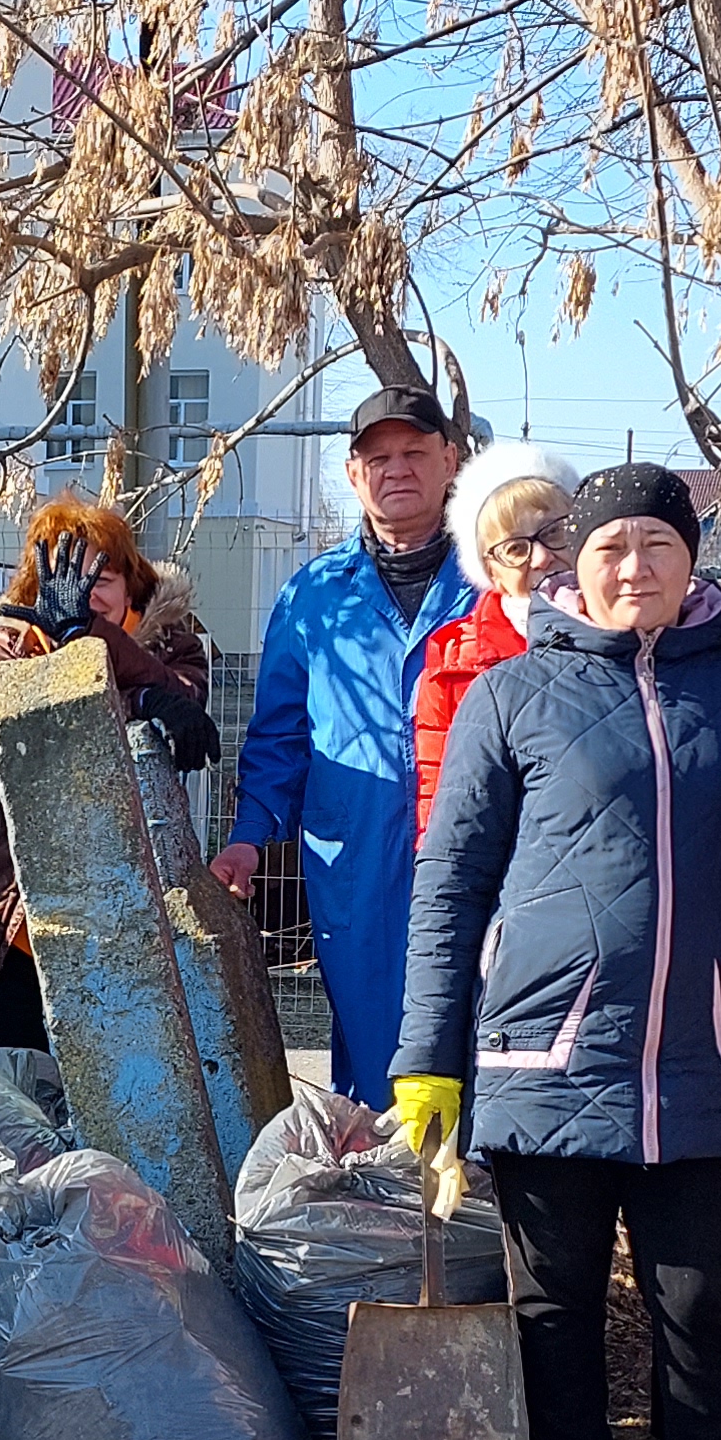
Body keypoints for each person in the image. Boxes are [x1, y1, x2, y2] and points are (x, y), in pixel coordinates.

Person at [393, 466, 721, 1440]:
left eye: (656, 545)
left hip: (712, 1063)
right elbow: (449, 886)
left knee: (707, 1313)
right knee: (555, 1312)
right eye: (609, 549)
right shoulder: (511, 696)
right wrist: (427, 1058)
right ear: (569, 566)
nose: (633, 568)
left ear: (693, 560)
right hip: (544, 1061)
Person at [212, 385, 475, 1087]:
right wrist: (248, 834)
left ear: (451, 461)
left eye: (415, 452)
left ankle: (480, 1187)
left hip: (475, 849)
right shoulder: (315, 596)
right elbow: (279, 738)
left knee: (476, 1032)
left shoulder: (495, 587)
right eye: (377, 457)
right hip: (352, 856)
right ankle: (380, 1191)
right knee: (372, 1045)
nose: (397, 470)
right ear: (354, 475)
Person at [0, 496, 217, 1056]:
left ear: (131, 585)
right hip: (16, 917)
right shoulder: (9, 645)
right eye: (69, 572)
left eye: (104, 574)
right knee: (14, 1093)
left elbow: (188, 711)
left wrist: (93, 641)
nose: (89, 588)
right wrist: (135, 694)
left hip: (137, 925)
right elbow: (13, 726)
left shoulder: (177, 640)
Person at [410, 438, 574, 843]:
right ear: (490, 570)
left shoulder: (633, 641)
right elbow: (440, 805)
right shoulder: (453, 665)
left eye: (554, 532)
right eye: (515, 548)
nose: (540, 558)